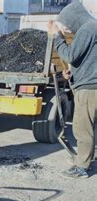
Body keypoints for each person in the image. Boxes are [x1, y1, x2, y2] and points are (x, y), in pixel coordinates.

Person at [48, 2, 97, 179]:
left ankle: (81, 167)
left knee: (82, 129)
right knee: (91, 127)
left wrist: (57, 37)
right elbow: (88, 59)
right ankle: (88, 157)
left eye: (66, 25)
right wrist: (73, 71)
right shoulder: (92, 28)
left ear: (73, 18)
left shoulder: (88, 28)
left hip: (89, 88)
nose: (67, 30)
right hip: (91, 85)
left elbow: (70, 55)